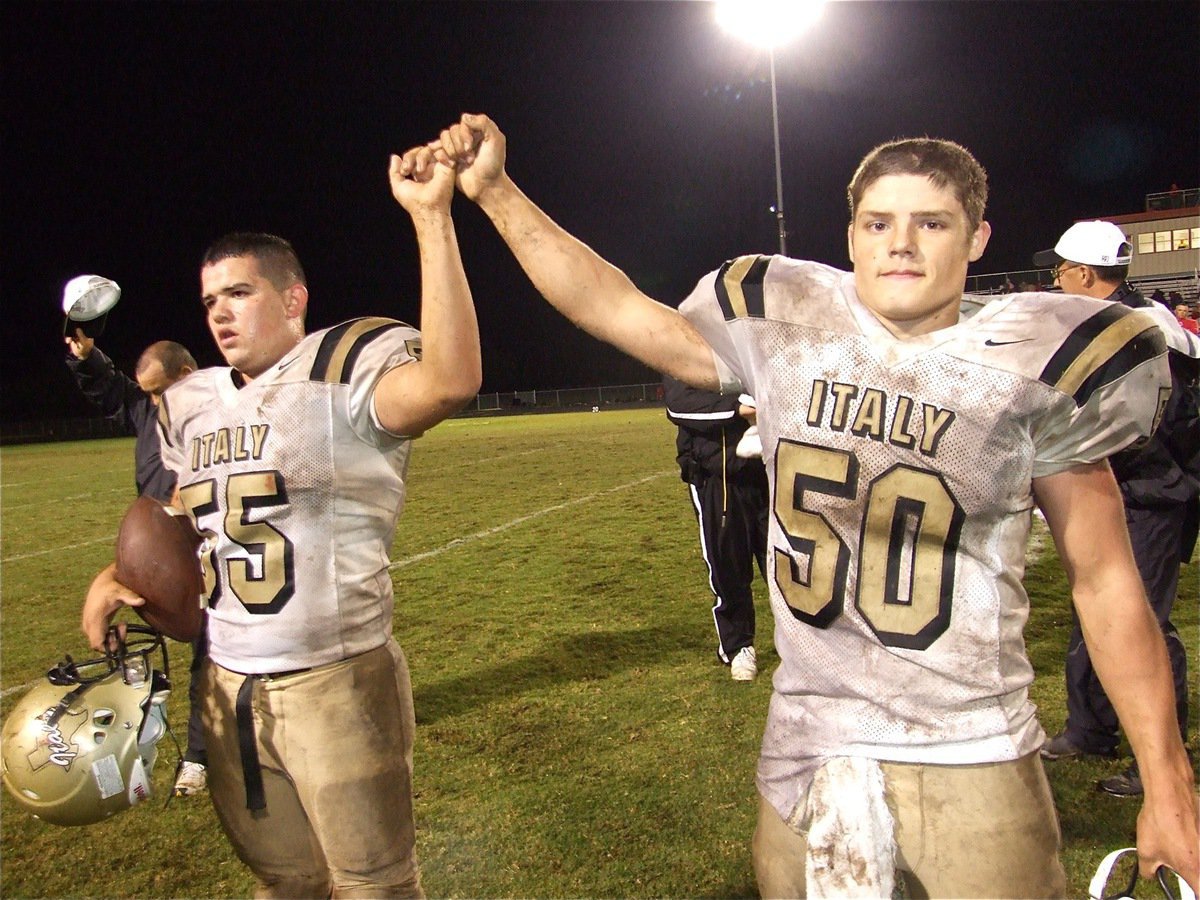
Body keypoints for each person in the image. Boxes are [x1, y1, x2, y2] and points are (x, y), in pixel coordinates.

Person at [401, 114, 1199, 897]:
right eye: (879, 221)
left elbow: (1105, 581)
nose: (902, 243)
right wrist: (497, 193)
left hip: (970, 745)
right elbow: (613, 305)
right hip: (806, 738)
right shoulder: (788, 324)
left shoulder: (1036, 361)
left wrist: (1168, 784)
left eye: (933, 222)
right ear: (850, 235)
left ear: (978, 238)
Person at [81, 151, 481, 897]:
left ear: (294, 297)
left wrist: (431, 220)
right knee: (284, 882)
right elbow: (186, 516)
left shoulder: (344, 369)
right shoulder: (192, 402)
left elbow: (451, 380)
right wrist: (114, 577)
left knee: (375, 885)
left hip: (336, 680)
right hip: (228, 686)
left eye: (240, 292)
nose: (221, 312)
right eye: (209, 302)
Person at [1033, 221, 1200, 797]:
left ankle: (1161, 760)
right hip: (1127, 486)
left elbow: (1158, 424)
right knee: (1093, 608)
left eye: (1061, 269)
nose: (1056, 279)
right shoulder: (1128, 318)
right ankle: (1090, 727)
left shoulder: (1139, 327)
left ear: (1083, 272)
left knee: (1145, 622)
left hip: (1149, 491)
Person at [65, 329, 211, 798]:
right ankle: (128, 749)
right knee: (136, 656)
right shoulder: (151, 407)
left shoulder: (219, 413)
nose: (150, 402)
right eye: (146, 392)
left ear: (186, 377)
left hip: (208, 552)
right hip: (156, 557)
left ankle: (199, 758)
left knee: (209, 659)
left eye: (157, 391)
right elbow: (114, 390)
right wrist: (87, 358)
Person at [663, 375, 768, 681]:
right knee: (727, 567)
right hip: (716, 477)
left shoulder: (744, 341)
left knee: (787, 568)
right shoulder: (683, 349)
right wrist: (739, 408)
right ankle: (739, 647)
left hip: (768, 471)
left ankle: (802, 647)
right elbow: (679, 405)